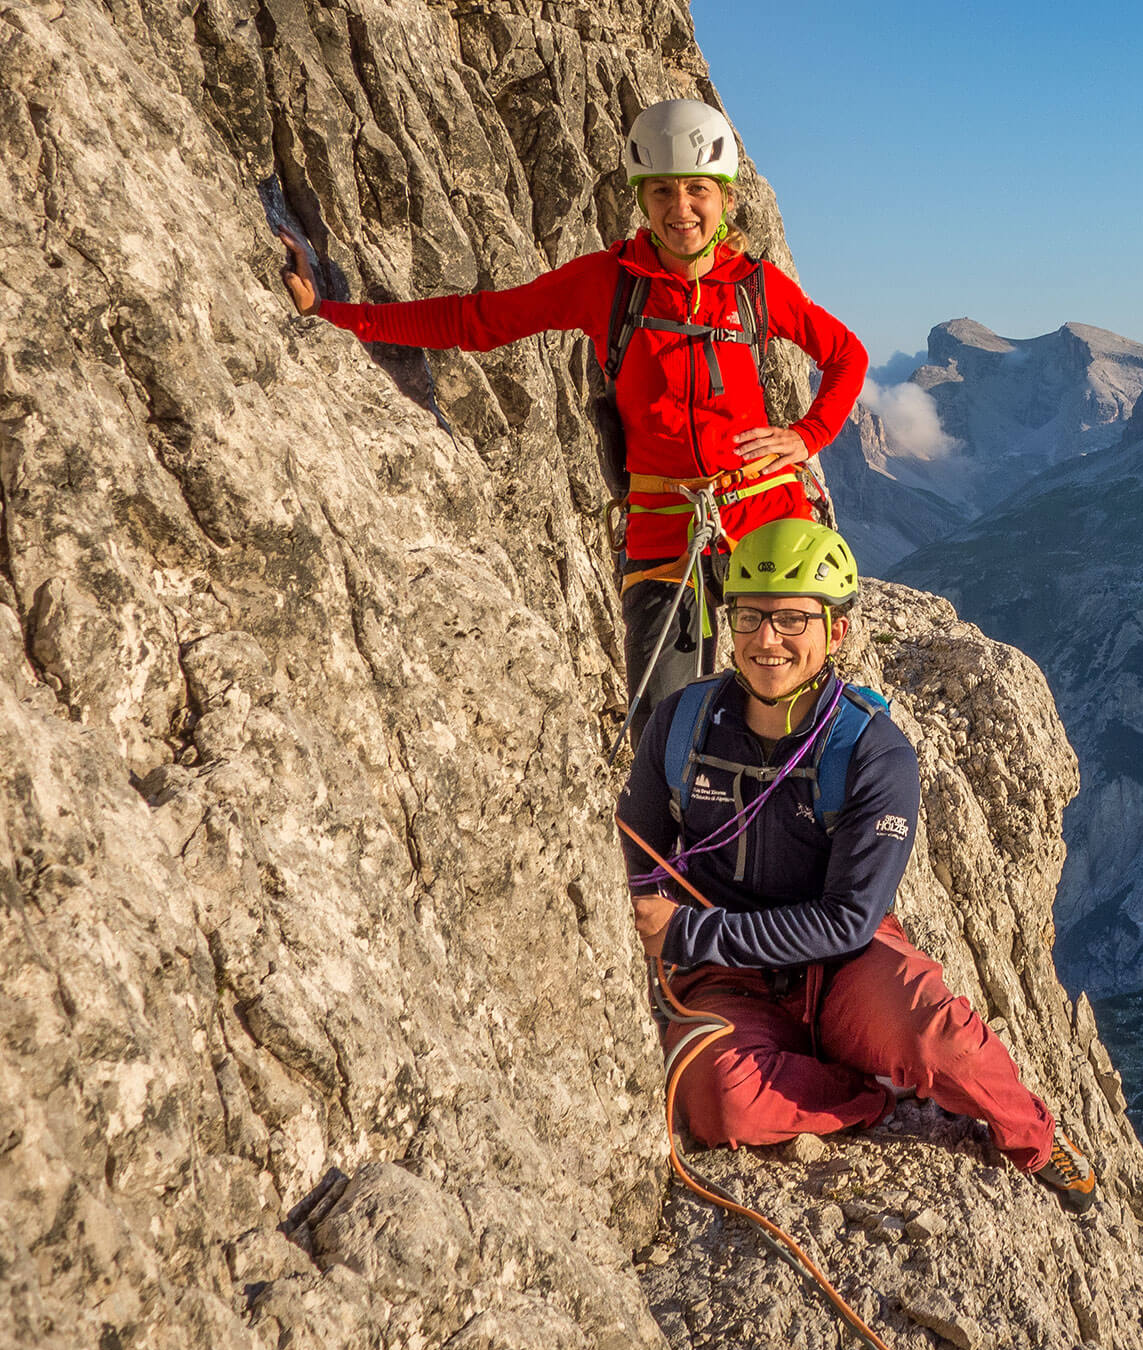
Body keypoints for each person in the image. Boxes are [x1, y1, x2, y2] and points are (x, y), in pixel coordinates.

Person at [279, 99, 867, 738]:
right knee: (662, 730)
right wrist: (336, 316)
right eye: (662, 190)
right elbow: (481, 320)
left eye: (698, 189)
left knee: (790, 712)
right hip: (666, 526)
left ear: (723, 198)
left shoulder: (754, 287)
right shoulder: (608, 283)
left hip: (766, 515)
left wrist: (807, 436)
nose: (681, 209)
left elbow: (845, 355)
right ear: (642, 198)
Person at [614, 518, 1100, 1214]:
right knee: (721, 1106)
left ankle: (1035, 1137)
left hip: (839, 967)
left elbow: (849, 919)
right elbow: (640, 850)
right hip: (729, 982)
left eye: (790, 620)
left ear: (835, 633)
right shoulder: (682, 725)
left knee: (947, 1042)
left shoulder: (873, 753)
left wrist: (688, 934)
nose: (765, 640)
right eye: (748, 616)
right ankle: (871, 1091)